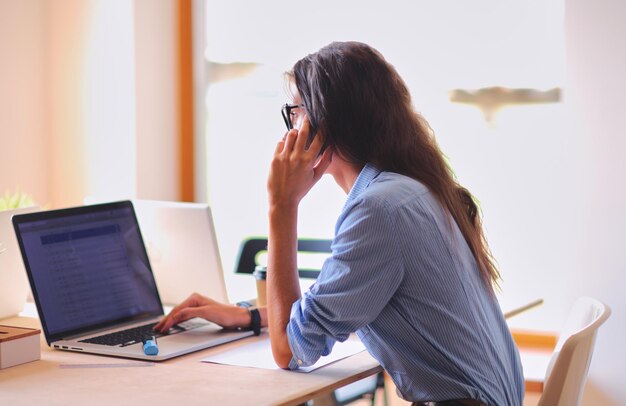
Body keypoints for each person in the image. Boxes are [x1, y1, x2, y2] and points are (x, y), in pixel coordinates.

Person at [155, 41, 524, 406]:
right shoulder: (413, 191)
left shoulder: (377, 210)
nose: (290, 129)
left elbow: (289, 349)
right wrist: (251, 316)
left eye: (295, 113)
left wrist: (281, 206)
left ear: (322, 125)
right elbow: (343, 305)